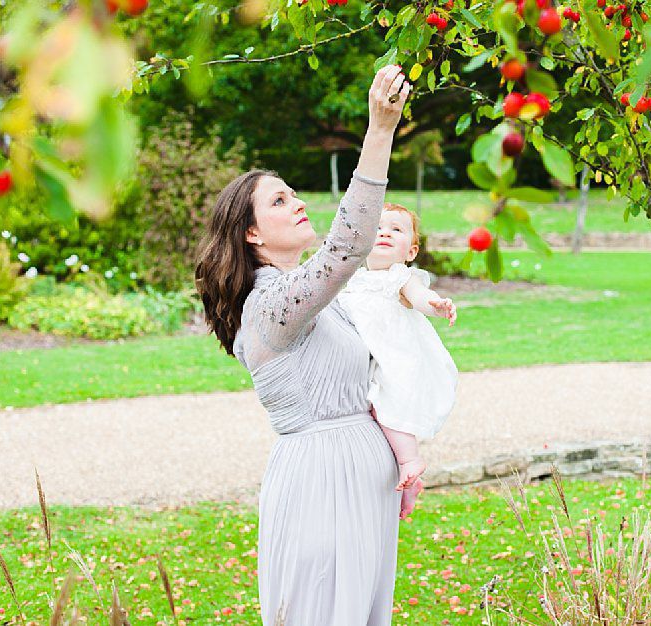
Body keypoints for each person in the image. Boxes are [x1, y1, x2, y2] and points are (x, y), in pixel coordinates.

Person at [195, 65, 413, 626]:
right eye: (278, 201)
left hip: (365, 489)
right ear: (251, 234)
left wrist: (401, 459)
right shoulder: (270, 306)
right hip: (323, 486)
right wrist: (380, 132)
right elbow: (348, 246)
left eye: (293, 194)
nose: (295, 203)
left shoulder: (324, 302)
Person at [338, 203, 459, 518]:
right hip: (362, 361)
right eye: (378, 228)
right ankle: (408, 489)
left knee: (388, 409)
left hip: (392, 359)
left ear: (411, 251)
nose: (385, 234)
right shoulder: (351, 278)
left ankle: (410, 460)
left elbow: (421, 298)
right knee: (371, 424)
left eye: (396, 229)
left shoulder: (400, 277)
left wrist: (438, 305)